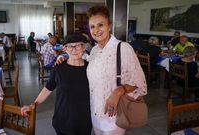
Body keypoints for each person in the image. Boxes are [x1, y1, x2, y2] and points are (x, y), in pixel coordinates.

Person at [86, 6, 147, 135]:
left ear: (109, 25)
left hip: (114, 114)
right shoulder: (94, 50)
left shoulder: (123, 48)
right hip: (95, 112)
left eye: (100, 25)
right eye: (92, 27)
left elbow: (139, 81)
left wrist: (119, 91)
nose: (96, 30)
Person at [21, 33, 92, 135]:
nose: (74, 50)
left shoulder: (91, 69)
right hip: (63, 120)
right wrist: (34, 105)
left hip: (84, 120)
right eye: (69, 46)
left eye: (78, 45)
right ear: (65, 49)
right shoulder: (59, 68)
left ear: (84, 47)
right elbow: (47, 89)